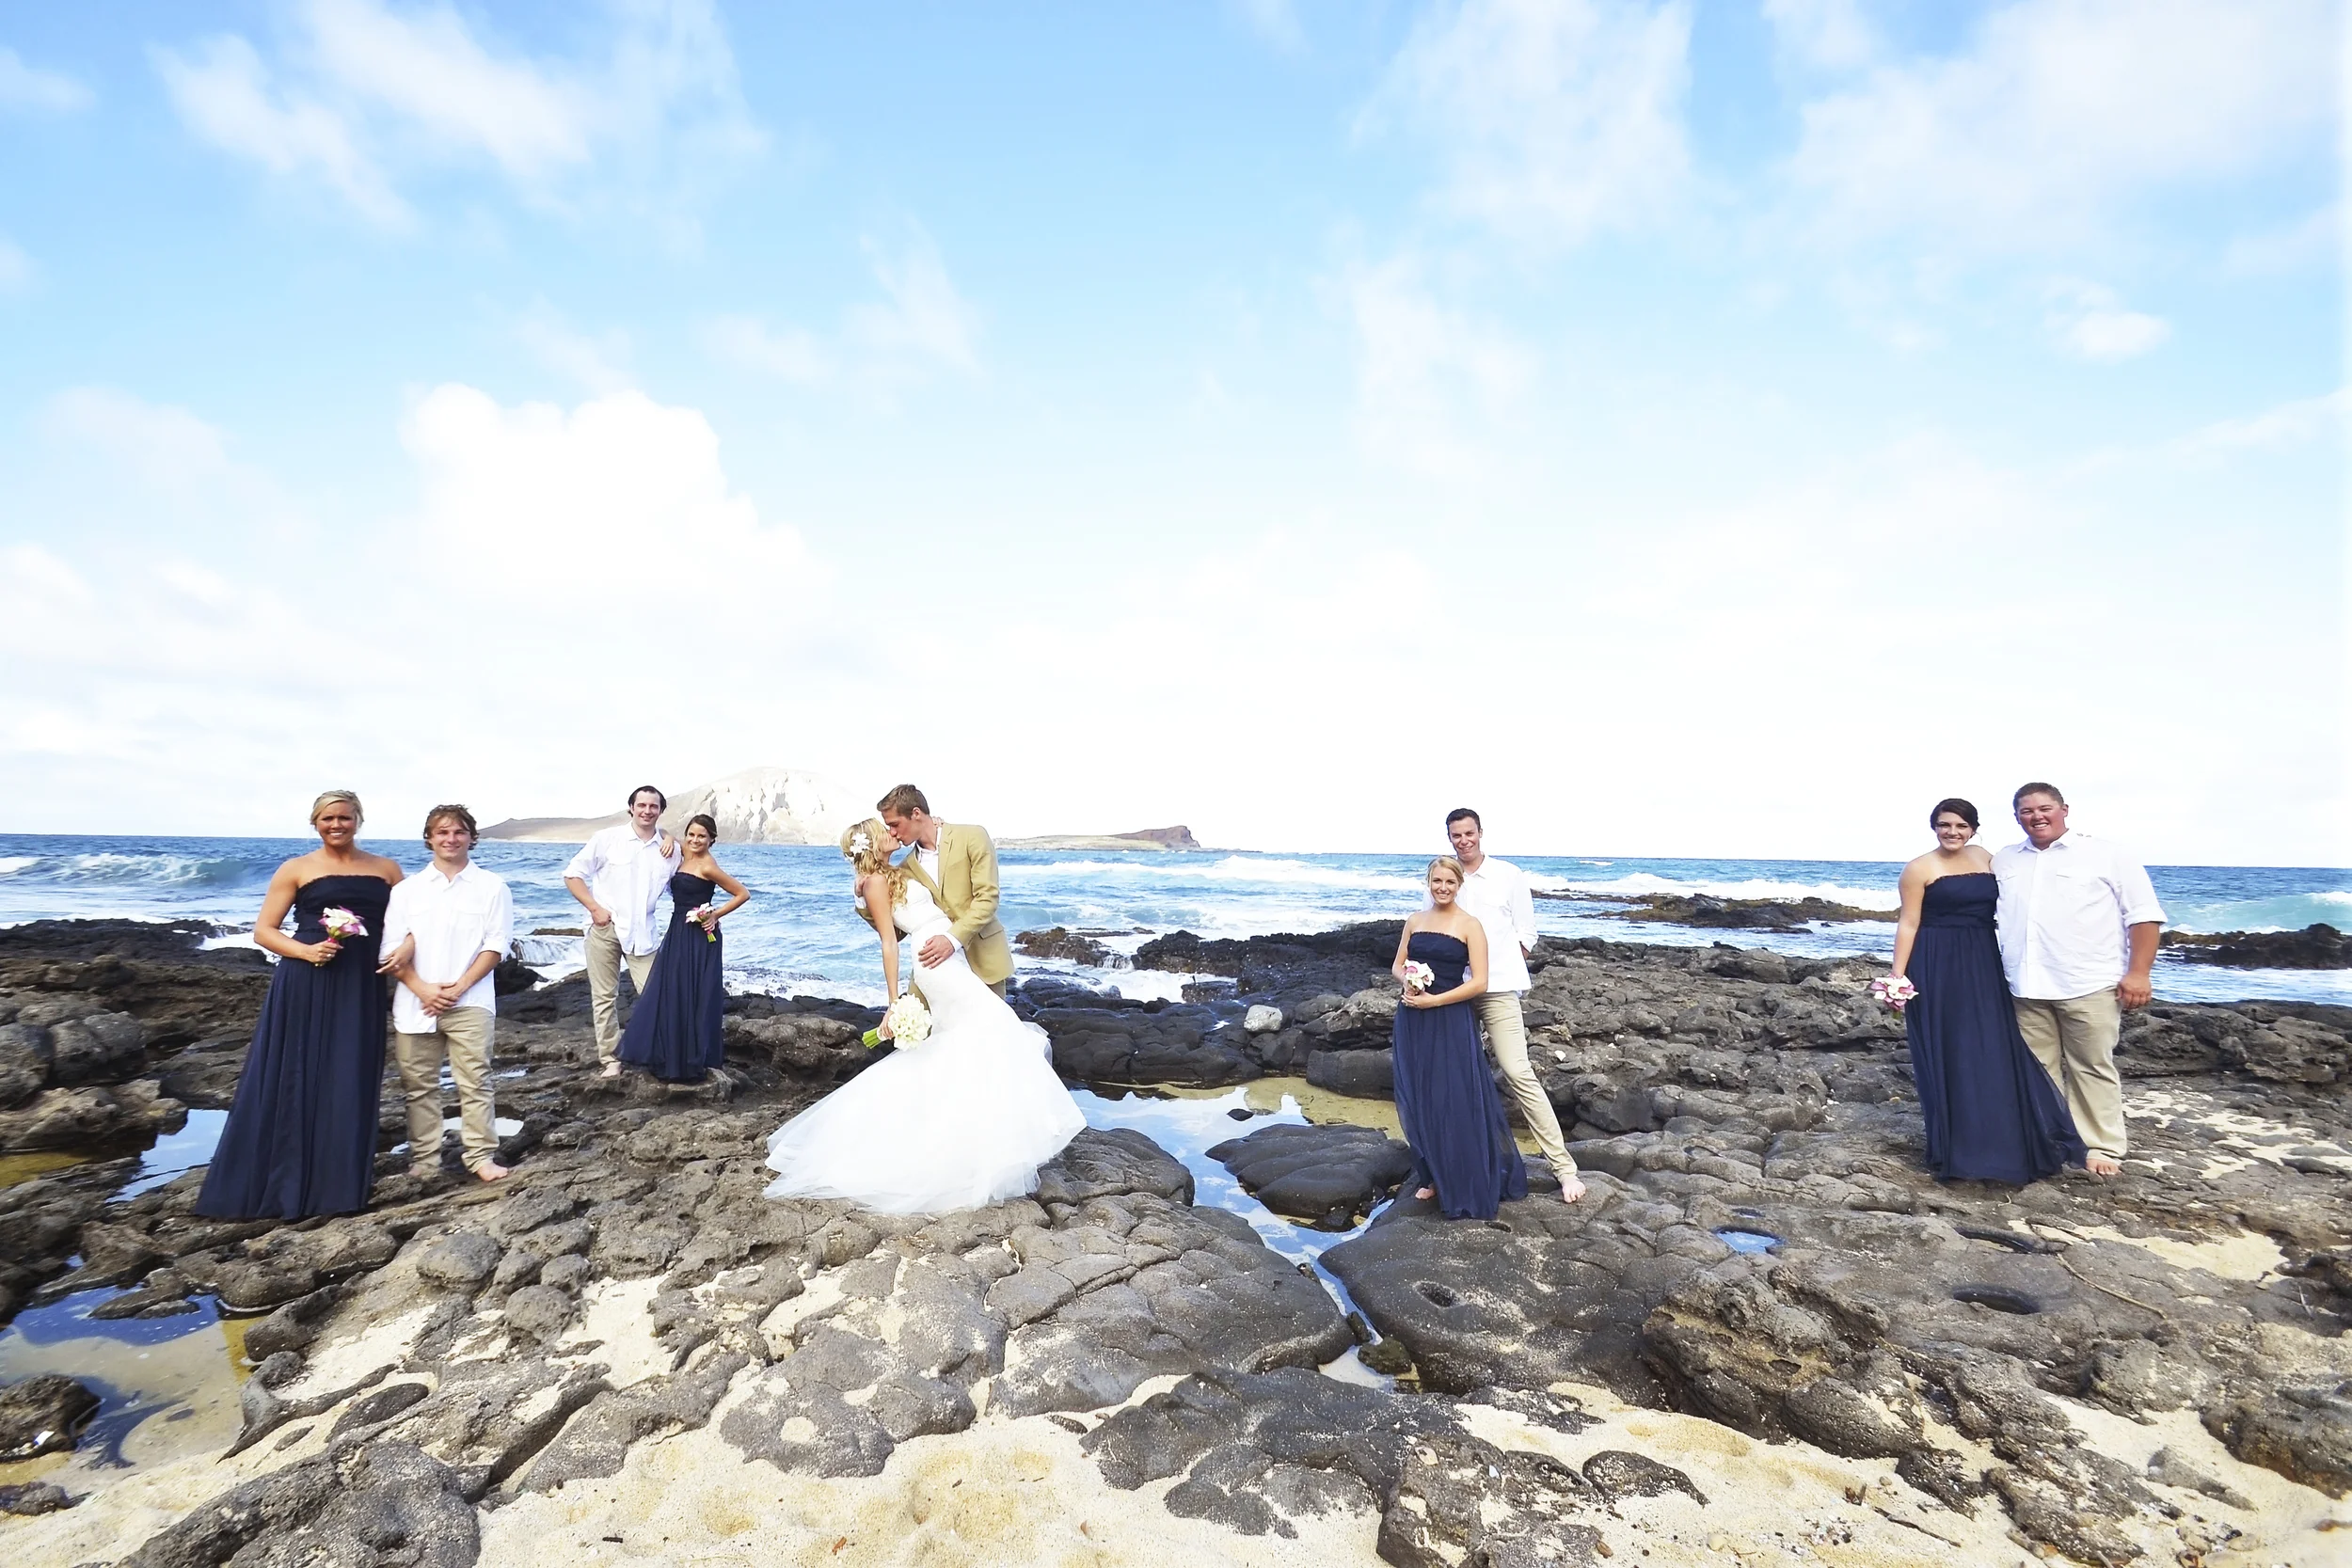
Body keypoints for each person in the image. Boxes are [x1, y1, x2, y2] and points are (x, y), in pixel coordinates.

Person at [762, 817, 1083, 1213]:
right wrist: (894, 1000)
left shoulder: (893, 872)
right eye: (884, 831)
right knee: (995, 1029)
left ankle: (968, 1143)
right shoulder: (874, 884)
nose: (891, 834)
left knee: (964, 1043)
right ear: (870, 843)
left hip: (952, 956)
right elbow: (888, 942)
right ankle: (980, 1150)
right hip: (934, 964)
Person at [196, 791, 403, 1219]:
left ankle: (340, 1187)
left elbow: (414, 920)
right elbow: (264, 931)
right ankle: (280, 1184)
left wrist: (407, 952)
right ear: (315, 823)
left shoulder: (386, 869)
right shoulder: (296, 869)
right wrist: (305, 952)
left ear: (358, 821)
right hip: (308, 976)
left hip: (361, 984)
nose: (336, 824)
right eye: (327, 818)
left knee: (351, 1073)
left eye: (345, 817)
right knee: (295, 1072)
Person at [1884, 798, 2085, 1184]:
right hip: (1935, 961)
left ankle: (2005, 1140)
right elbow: (1908, 923)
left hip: (1983, 959)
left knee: (1990, 1047)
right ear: (1934, 827)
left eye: (1961, 826)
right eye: (1945, 825)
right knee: (1950, 1050)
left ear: (1974, 829)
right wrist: (1898, 976)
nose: (1952, 832)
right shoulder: (1919, 868)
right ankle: (1958, 1149)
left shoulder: (1987, 858)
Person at [1994, 783, 2165, 1180]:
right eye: (2026, 811)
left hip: (2088, 982)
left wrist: (2139, 973)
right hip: (2024, 984)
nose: (2036, 816)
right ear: (2016, 816)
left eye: (2045, 808)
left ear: (2064, 809)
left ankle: (2100, 1144)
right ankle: (2048, 1139)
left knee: (2092, 1065)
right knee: (2037, 1069)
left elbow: (2143, 916)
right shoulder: (2004, 860)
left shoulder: (2107, 854)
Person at [1444, 808, 1582, 1202]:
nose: (1463, 841)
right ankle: (1449, 1169)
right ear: (1449, 838)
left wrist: (1504, 965)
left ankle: (1564, 1169)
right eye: (1456, 835)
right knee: (1454, 1079)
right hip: (1454, 992)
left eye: (1469, 833)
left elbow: (1527, 932)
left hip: (1498, 990)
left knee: (1519, 1073)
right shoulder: (1446, 877)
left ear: (1480, 833)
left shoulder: (1508, 875)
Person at [378, 804, 516, 1184]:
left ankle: (481, 1156)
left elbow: (496, 945)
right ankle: (425, 1160)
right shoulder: (407, 891)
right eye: (442, 832)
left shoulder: (492, 887)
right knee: (418, 1086)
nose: (450, 839)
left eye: (458, 832)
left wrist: (457, 988)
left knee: (475, 1081)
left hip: (470, 1001)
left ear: (472, 836)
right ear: (429, 838)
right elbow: (390, 949)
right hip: (415, 1002)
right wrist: (424, 988)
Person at [1390, 857, 1529, 1221]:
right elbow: (1398, 963)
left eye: (1450, 882)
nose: (1442, 888)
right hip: (1412, 1016)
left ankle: (1461, 1178)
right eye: (1437, 881)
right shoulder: (1415, 921)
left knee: (1452, 1094)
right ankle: (1431, 1173)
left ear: (1459, 884)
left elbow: (1479, 982)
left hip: (1449, 1017)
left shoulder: (1470, 925)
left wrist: (1434, 999)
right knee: (1419, 1093)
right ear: (1428, 882)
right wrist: (1408, 982)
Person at [618, 814, 749, 1084]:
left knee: (693, 994)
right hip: (677, 930)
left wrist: (715, 915)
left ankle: (690, 1059)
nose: (695, 840)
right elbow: (664, 832)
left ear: (712, 839)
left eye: (702, 836)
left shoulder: (708, 866)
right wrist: (667, 836)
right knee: (672, 990)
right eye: (691, 834)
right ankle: (668, 1052)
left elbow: (742, 894)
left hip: (699, 936)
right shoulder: (682, 851)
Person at [564, 784, 683, 1079]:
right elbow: (572, 874)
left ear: (661, 811)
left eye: (653, 807)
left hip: (644, 932)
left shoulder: (670, 850)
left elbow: (683, 884)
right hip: (605, 928)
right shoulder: (607, 839)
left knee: (656, 995)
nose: (646, 811)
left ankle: (657, 1054)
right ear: (631, 808)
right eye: (641, 805)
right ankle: (611, 1059)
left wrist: (671, 836)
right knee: (604, 997)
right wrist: (594, 908)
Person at [876, 784, 1013, 997]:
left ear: (916, 813)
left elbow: (987, 899)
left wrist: (951, 939)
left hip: (984, 959)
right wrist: (864, 900)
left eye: (895, 824)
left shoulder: (972, 836)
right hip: (933, 965)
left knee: (987, 1029)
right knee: (914, 1027)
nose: (892, 832)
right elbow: (895, 933)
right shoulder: (904, 869)